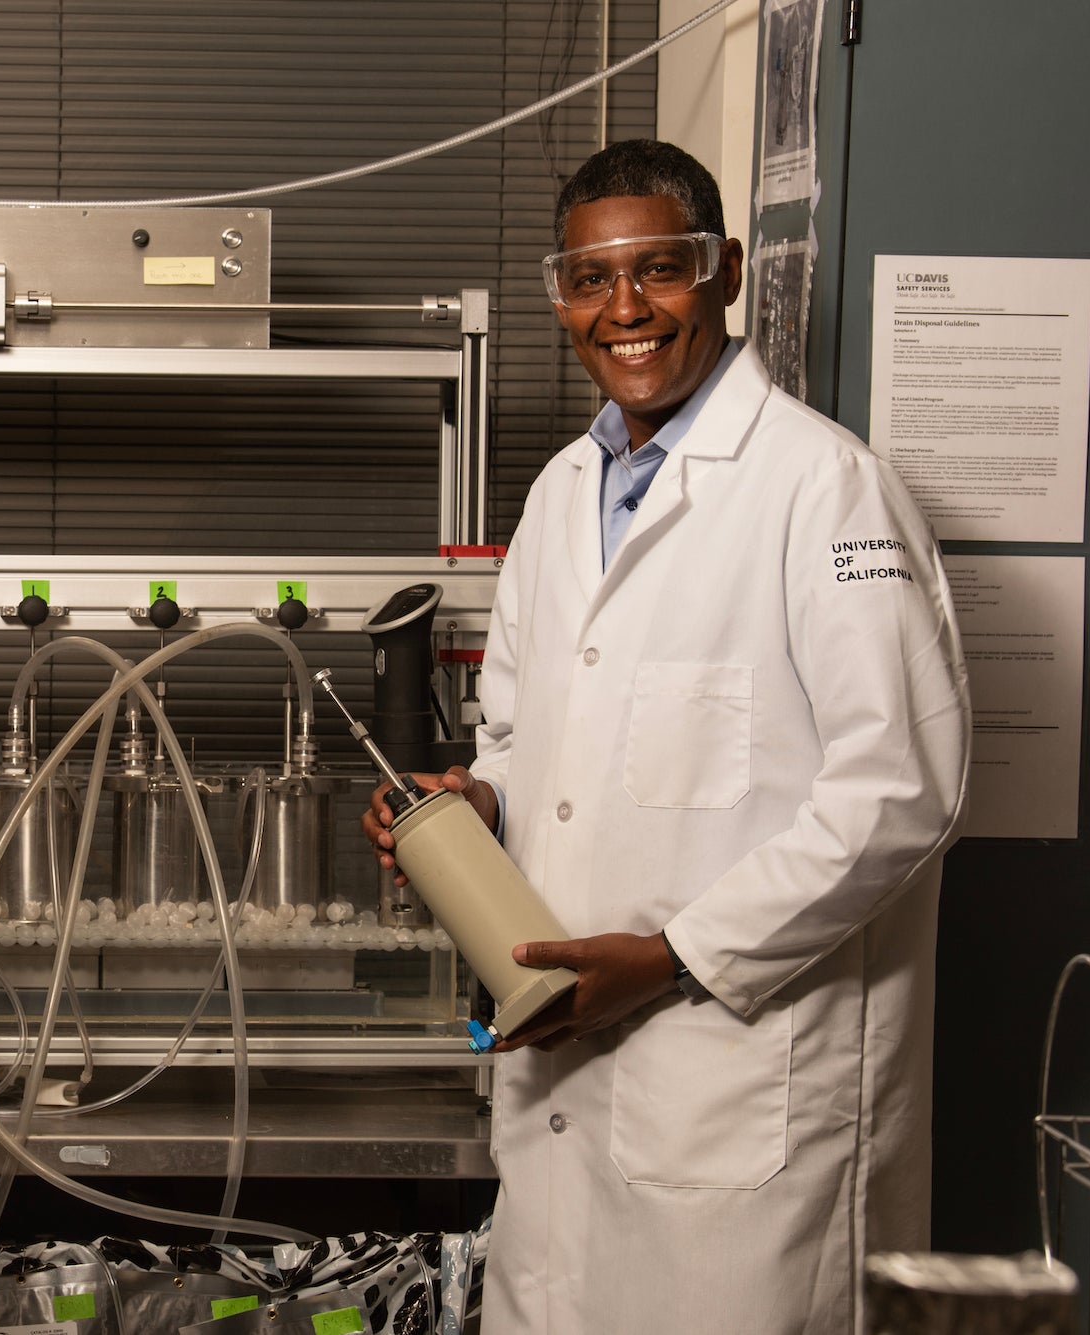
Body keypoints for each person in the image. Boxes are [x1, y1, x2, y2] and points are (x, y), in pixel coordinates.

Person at [362, 141, 969, 1333]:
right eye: (589, 280)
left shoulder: (822, 488)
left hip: (740, 1108)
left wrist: (672, 956)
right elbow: (522, 735)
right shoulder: (554, 496)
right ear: (557, 296)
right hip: (566, 1098)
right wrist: (474, 812)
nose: (623, 310)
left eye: (658, 272)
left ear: (724, 271)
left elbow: (902, 790)